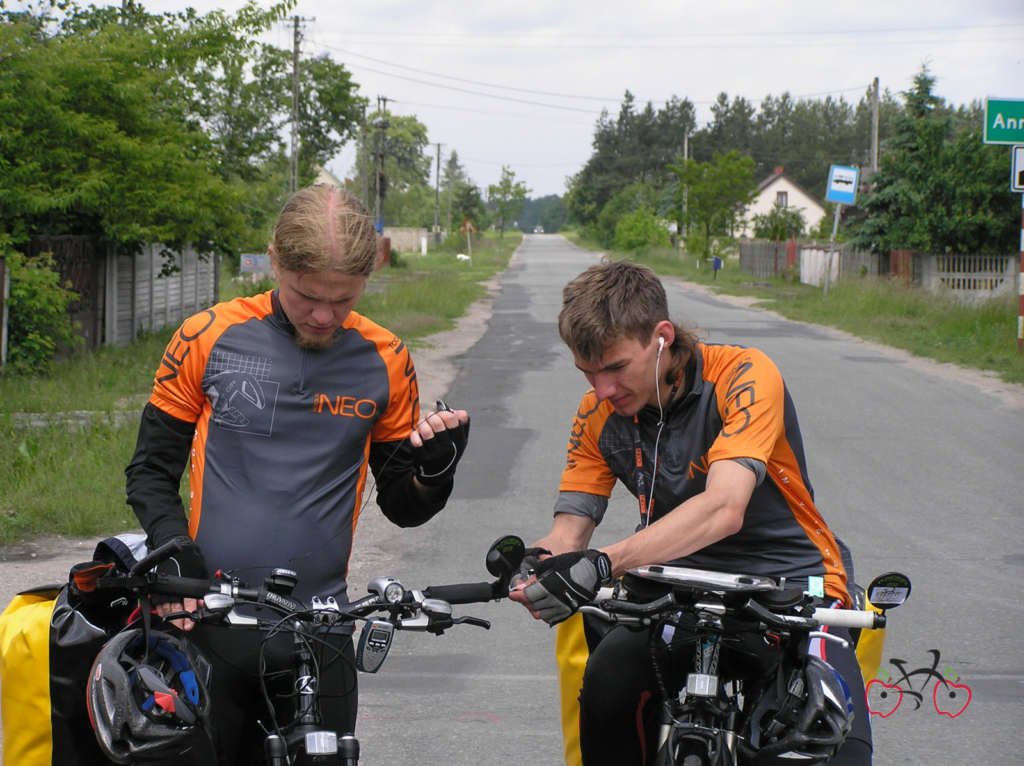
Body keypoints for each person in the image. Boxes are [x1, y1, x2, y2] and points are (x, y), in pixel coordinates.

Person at [125, 184, 470, 764]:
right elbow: (149, 472)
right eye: (307, 295)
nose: (323, 315)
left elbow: (403, 507)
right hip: (210, 622)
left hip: (323, 629)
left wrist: (436, 472)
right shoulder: (206, 337)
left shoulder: (385, 358)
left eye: (343, 300)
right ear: (275, 261)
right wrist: (174, 549)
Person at [509, 260, 871, 765]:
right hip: (674, 586)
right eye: (587, 373)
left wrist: (604, 563)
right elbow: (569, 532)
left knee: (831, 736)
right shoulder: (599, 413)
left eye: (615, 368)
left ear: (661, 337)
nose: (601, 390)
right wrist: (537, 565)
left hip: (790, 581)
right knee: (606, 686)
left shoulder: (745, 375)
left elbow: (725, 508)